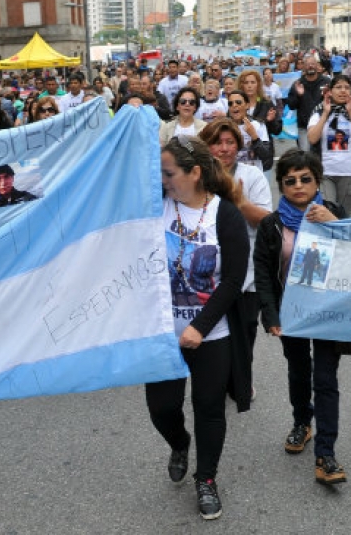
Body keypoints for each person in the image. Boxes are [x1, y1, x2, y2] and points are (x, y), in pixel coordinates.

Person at [146, 136, 250, 521]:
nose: (162, 179)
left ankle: (206, 479)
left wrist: (201, 328)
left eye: (168, 172)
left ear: (195, 173)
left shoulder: (225, 215)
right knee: (162, 409)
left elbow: (233, 279)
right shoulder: (154, 207)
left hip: (210, 334)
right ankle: (179, 443)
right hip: (161, 335)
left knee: (208, 408)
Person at [254, 149, 347, 486]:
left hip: (326, 312)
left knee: (325, 379)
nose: (298, 186)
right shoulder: (271, 224)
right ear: (281, 185)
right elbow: (263, 272)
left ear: (317, 181)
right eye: (289, 180)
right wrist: (270, 314)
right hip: (290, 313)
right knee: (298, 372)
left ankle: (326, 453)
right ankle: (301, 423)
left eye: (305, 179)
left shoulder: (334, 212)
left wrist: (335, 225)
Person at [201, 118, 272, 385]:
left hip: (246, 278)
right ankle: (218, 381)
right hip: (207, 276)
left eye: (230, 142)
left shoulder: (251, 175)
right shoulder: (197, 178)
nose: (224, 149)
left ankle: (241, 381)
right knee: (213, 336)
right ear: (206, 147)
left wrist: (240, 201)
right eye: (217, 143)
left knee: (243, 336)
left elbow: (267, 222)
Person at [306, 74, 351, 216]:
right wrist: (325, 114)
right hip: (325, 173)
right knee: (327, 212)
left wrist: (350, 112)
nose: (343, 91)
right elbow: (312, 138)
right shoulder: (319, 110)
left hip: (349, 173)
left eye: (347, 87)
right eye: (338, 87)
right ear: (330, 91)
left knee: (343, 216)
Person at [287, 54, 330, 152]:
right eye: (307, 64)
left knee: (324, 156)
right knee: (306, 157)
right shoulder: (297, 84)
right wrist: (299, 95)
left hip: (324, 125)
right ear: (303, 67)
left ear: (317, 65)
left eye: (313, 64)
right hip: (304, 127)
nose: (310, 66)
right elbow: (291, 106)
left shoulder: (326, 82)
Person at [226, 91, 272, 171]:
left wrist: (254, 136)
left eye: (238, 102)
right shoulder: (224, 127)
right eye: (230, 103)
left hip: (253, 175)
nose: (234, 105)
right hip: (231, 176)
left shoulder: (258, 125)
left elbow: (266, 155)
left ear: (247, 105)